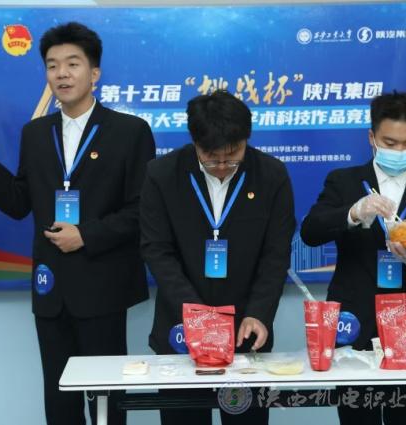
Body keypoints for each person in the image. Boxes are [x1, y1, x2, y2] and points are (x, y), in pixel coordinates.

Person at [0, 22, 155, 425]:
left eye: (73, 64)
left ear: (94, 73)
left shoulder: (130, 132)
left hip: (103, 286)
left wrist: (86, 235)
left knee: (107, 401)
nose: (62, 74)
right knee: (59, 403)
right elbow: (19, 202)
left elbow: (143, 209)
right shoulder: (36, 133)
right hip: (50, 287)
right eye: (53, 65)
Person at [140, 90, 295, 425]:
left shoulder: (271, 175)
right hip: (181, 330)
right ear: (195, 142)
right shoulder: (162, 174)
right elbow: (157, 250)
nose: (223, 166)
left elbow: (276, 255)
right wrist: (198, 316)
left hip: (245, 333)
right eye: (211, 157)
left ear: (246, 140)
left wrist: (258, 314)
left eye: (233, 155)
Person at [300, 91, 406, 425]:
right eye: (390, 142)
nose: (399, 151)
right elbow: (310, 233)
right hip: (353, 323)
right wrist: (354, 212)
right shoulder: (343, 182)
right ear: (372, 138)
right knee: (357, 418)